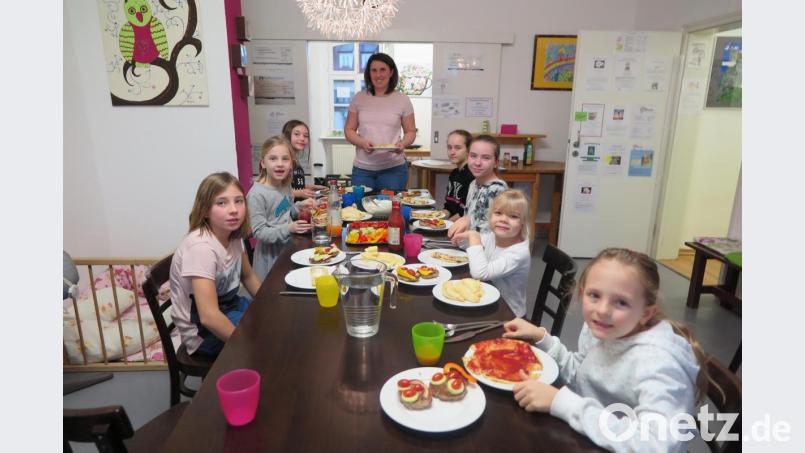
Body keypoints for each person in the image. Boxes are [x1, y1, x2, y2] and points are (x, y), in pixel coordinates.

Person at [502, 248, 709, 452]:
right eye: (594, 295)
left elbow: (657, 444)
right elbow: (583, 374)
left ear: (646, 313)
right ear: (582, 294)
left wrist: (563, 403)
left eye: (621, 302)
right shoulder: (603, 330)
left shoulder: (658, 365)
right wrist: (542, 338)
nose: (602, 310)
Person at [169, 172, 263, 357]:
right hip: (201, 333)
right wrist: (246, 344)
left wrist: (270, 304)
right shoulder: (201, 248)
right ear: (204, 210)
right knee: (266, 339)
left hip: (229, 306)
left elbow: (248, 276)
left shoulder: (233, 234)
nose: (234, 209)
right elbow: (209, 317)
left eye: (238, 201)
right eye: (222, 203)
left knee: (272, 318)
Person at [451, 189, 531, 317]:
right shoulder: (493, 236)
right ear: (490, 216)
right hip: (488, 302)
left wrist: (474, 237)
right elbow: (469, 246)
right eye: (498, 213)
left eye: (513, 216)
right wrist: (462, 236)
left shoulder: (519, 253)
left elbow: (480, 273)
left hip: (508, 315)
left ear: (522, 224)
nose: (504, 219)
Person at [344, 52, 416, 191]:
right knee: (360, 210)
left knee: (389, 211)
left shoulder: (403, 99)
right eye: (374, 70)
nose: (378, 75)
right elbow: (349, 130)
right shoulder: (359, 98)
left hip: (394, 169)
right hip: (362, 170)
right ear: (369, 74)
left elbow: (410, 131)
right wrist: (362, 143)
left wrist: (403, 144)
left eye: (382, 70)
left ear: (391, 72)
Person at [247, 136, 316, 280]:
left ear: (291, 164)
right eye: (273, 159)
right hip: (270, 258)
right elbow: (259, 232)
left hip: (288, 246)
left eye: (285, 159)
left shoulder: (284, 185)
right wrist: (288, 229)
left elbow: (286, 210)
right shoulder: (256, 194)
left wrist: (299, 206)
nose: (280, 164)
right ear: (263, 163)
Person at [447, 134, 507, 237]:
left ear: (496, 162)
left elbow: (495, 236)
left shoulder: (497, 190)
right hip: (468, 245)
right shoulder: (473, 184)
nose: (477, 163)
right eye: (473, 156)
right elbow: (469, 220)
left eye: (486, 158)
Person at [282, 119, 326, 199]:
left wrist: (311, 187)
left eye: (305, 136)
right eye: (297, 134)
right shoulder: (283, 160)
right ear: (287, 136)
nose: (302, 138)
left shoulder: (294, 158)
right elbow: (276, 191)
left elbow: (294, 185)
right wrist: (298, 193)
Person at [442, 129, 474, 220]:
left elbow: (464, 213)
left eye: (457, 148)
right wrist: (434, 218)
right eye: (449, 147)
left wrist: (445, 225)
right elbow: (449, 206)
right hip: (453, 221)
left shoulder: (471, 175)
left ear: (468, 150)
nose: (452, 152)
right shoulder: (454, 173)